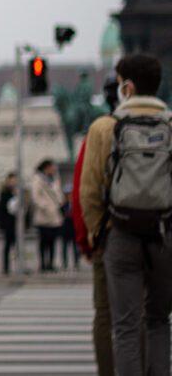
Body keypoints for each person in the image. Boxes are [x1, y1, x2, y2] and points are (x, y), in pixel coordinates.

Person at [81, 53, 172, 376]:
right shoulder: (170, 123)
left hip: (120, 235)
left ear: (127, 88)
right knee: (159, 321)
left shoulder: (105, 128)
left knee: (125, 327)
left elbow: (89, 190)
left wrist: (98, 233)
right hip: (164, 236)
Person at [71, 76, 119, 376]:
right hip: (156, 238)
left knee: (105, 315)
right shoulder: (165, 124)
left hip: (110, 236)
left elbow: (83, 191)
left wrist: (87, 240)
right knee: (151, 317)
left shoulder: (100, 130)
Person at [30, 159, 64, 272]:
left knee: (52, 241)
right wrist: (44, 206)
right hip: (43, 216)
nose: (53, 169)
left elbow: (59, 193)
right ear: (46, 168)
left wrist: (60, 202)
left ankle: (51, 263)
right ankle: (43, 263)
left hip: (54, 214)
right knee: (43, 241)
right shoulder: (38, 179)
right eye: (51, 167)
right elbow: (35, 196)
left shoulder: (55, 179)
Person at [0, 172, 18, 275]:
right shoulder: (4, 193)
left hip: (17, 223)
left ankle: (19, 267)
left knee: (18, 246)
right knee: (8, 245)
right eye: (12, 180)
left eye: (15, 180)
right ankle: (6, 268)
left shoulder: (18, 192)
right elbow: (1, 208)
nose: (14, 182)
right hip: (8, 223)